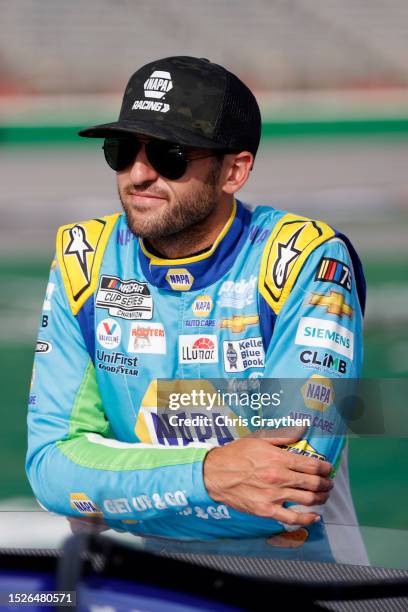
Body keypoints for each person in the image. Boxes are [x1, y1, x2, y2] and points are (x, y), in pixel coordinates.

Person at [26, 56, 368, 564]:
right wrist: (210, 473)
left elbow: (290, 486)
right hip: (148, 582)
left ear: (234, 170)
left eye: (171, 155)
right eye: (122, 152)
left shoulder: (303, 260)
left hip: (302, 579)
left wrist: (111, 490)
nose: (138, 175)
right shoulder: (87, 259)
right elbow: (50, 470)